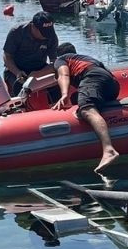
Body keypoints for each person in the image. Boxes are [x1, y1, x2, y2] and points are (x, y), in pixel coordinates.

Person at [51, 43, 121, 173]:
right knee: (80, 98)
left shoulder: (61, 60)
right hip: (112, 84)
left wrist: (64, 94)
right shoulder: (84, 58)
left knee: (86, 109)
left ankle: (108, 150)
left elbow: (63, 75)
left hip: (92, 77)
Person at [2, 11, 58, 96]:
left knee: (57, 86)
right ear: (33, 26)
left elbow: (54, 62)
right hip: (17, 70)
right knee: (21, 91)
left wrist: (39, 73)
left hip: (39, 68)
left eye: (48, 32)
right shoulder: (17, 32)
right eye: (43, 32)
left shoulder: (51, 36)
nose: (46, 36)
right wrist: (17, 72)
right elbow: (7, 56)